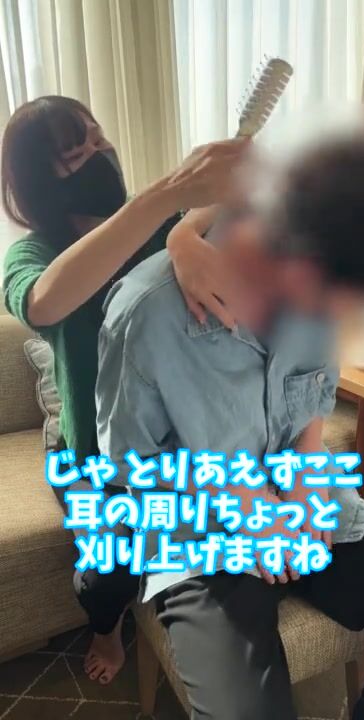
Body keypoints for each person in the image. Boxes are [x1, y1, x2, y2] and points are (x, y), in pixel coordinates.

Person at [96, 133, 364, 719]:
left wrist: (306, 484)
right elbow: (128, 465)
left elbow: (311, 403)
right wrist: (245, 503)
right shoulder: (145, 312)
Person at [1, 95, 248, 683]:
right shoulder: (31, 253)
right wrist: (164, 201)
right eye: (76, 152)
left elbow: (228, 212)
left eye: (98, 135)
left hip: (169, 435)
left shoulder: (161, 228)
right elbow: (46, 302)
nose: (100, 152)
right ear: (41, 181)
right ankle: (107, 630)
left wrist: (183, 233)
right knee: (108, 568)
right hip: (89, 449)